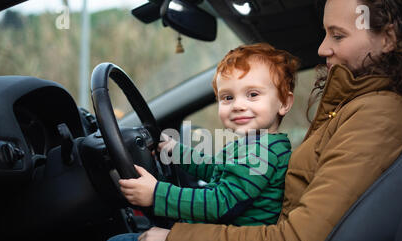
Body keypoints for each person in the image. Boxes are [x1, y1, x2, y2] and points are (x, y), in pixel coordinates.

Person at [0, 0, 402, 241]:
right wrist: (180, 154)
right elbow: (229, 165)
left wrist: (173, 239)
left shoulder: (378, 116)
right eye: (228, 97)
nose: (323, 47)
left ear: (390, 37)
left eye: (336, 35)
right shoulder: (353, 109)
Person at [116, 43, 298, 229]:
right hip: (217, 239)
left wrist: (156, 194)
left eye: (252, 94)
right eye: (227, 97)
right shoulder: (255, 144)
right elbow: (216, 170)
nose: (237, 105)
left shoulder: (264, 150)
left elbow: (220, 203)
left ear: (284, 103)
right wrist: (177, 152)